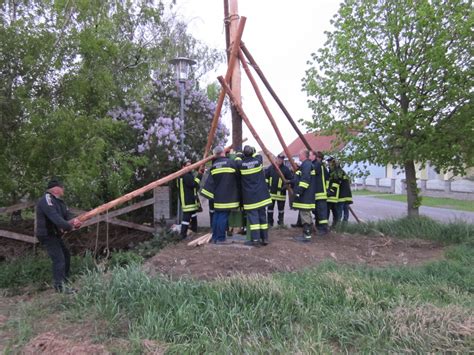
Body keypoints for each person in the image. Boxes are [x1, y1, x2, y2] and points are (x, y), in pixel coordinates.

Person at [35, 179, 81, 293]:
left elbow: (67, 215)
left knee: (66, 256)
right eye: (62, 187)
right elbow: (55, 218)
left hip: (55, 235)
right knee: (59, 259)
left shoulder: (59, 202)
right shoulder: (46, 200)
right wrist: (69, 227)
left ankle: (64, 281)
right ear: (56, 189)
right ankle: (60, 287)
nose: (63, 189)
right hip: (47, 235)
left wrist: (76, 221)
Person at [200, 146, 240, 243]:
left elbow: (210, 182)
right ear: (223, 152)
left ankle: (215, 237)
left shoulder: (214, 166)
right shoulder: (231, 163)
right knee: (223, 216)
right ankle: (221, 239)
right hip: (228, 197)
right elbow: (239, 175)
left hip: (217, 197)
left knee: (217, 215)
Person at [236, 146, 272, 246]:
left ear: (244, 154)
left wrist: (239, 155)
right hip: (261, 196)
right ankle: (265, 239)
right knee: (262, 217)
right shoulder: (258, 161)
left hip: (250, 197)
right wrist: (252, 151)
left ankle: (255, 240)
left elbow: (237, 160)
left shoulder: (241, 164)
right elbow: (258, 155)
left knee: (254, 219)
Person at [291, 149, 316, 242]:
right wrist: (290, 182)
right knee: (306, 214)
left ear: (305, 156)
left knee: (305, 215)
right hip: (307, 195)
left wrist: (298, 192)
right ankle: (307, 235)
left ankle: (306, 237)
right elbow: (299, 178)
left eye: (300, 155)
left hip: (305, 196)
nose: (298, 156)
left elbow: (305, 180)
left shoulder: (306, 165)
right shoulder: (306, 165)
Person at [176, 160, 203, 239]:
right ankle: (183, 234)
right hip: (188, 200)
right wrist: (200, 175)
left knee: (193, 215)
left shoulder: (184, 175)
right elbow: (193, 184)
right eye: (188, 166)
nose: (190, 167)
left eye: (191, 165)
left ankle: (194, 230)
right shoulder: (186, 175)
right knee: (186, 218)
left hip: (189, 199)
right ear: (183, 167)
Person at [265, 154, 293, 226]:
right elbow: (265, 178)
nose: (280, 160)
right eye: (279, 158)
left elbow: (291, 179)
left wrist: (286, 185)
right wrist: (267, 187)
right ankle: (269, 222)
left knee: (281, 210)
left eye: (282, 159)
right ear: (276, 159)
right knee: (270, 209)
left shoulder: (286, 169)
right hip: (272, 193)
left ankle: (280, 223)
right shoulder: (271, 168)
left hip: (281, 193)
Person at [310, 151, 329, 235]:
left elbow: (310, 173)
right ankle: (319, 227)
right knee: (317, 211)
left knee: (321, 212)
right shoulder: (319, 165)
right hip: (317, 193)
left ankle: (324, 229)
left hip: (320, 193)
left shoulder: (317, 165)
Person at [327, 157, 344, 226]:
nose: (328, 164)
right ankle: (335, 224)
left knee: (331, 210)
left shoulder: (336, 171)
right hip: (330, 193)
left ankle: (334, 224)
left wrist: (331, 190)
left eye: (329, 162)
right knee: (334, 210)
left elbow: (337, 181)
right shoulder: (331, 170)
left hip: (333, 194)